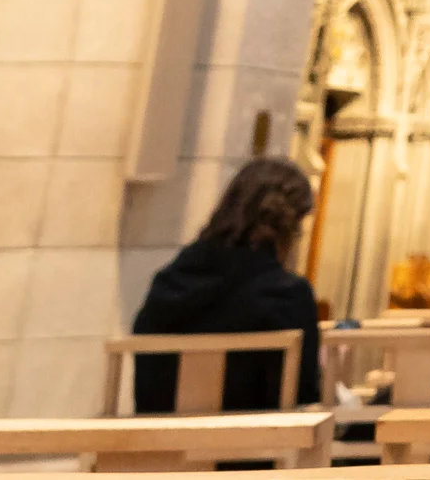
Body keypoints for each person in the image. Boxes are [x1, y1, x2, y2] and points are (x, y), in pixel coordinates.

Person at [131, 157, 322, 413]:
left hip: (160, 444)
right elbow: (303, 395)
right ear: (289, 227)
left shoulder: (168, 283)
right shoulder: (286, 294)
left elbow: (147, 383)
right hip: (249, 448)